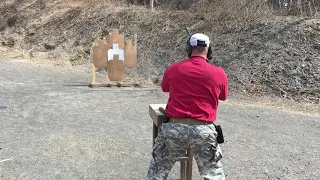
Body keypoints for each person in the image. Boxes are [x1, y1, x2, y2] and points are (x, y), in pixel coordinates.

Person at [146, 33, 229, 180]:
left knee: (157, 173)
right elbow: (223, 96)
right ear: (209, 50)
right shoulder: (219, 73)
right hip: (204, 130)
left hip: (174, 128)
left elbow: (165, 87)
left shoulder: (174, 69)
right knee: (213, 175)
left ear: (188, 48)